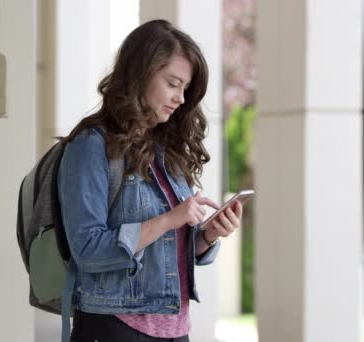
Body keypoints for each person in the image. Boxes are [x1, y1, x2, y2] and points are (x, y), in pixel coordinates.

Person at [57, 19, 242, 342]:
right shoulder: (92, 145)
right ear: (140, 73)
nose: (181, 98)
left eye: (185, 88)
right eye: (173, 83)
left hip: (174, 328)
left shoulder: (165, 152)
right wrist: (170, 219)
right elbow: (87, 248)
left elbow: (169, 249)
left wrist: (208, 235)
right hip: (115, 327)